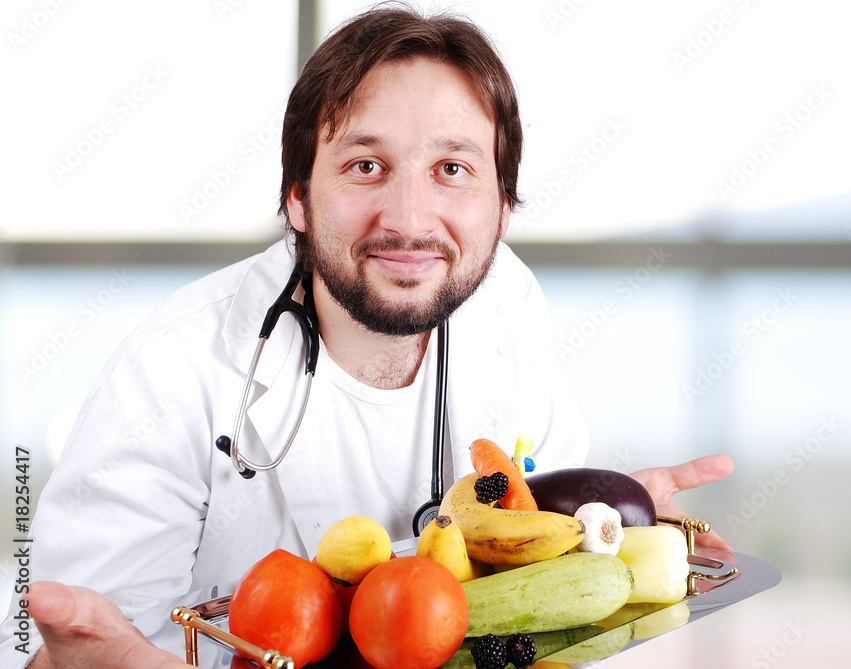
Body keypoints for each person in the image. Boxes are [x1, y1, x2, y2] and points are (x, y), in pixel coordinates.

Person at [2, 5, 734, 667]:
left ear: (503, 206)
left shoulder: (507, 306)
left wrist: (599, 515)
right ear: (296, 196)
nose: (409, 219)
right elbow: (70, 644)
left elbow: (528, 579)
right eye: (365, 165)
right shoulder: (173, 372)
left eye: (452, 168)